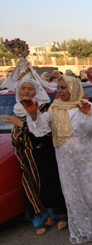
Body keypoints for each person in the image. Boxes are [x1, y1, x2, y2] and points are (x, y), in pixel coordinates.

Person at [24, 75, 92, 243]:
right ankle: (83, 227)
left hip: (87, 159)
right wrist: (34, 114)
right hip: (66, 161)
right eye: (59, 88)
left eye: (64, 87)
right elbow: (41, 130)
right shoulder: (55, 108)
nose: (60, 91)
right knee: (73, 193)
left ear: (73, 88)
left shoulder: (86, 106)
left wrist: (87, 115)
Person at [1, 78, 67, 235]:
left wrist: (21, 124)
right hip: (23, 154)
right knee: (31, 186)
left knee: (49, 184)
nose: (25, 91)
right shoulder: (16, 107)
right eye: (22, 88)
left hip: (42, 152)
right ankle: (42, 217)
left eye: (29, 88)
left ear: (36, 91)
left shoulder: (44, 107)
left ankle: (60, 214)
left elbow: (45, 133)